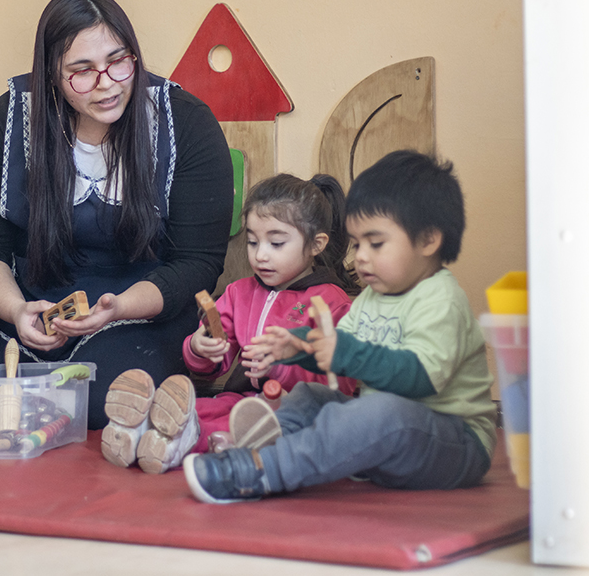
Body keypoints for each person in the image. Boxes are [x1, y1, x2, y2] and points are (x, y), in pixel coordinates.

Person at [0, 0, 234, 430]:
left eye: (118, 62)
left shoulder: (184, 122)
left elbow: (198, 262)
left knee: (105, 403)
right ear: (50, 76)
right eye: (82, 72)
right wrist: (14, 310)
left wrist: (117, 307)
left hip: (139, 309)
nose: (107, 84)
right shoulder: (7, 123)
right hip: (28, 305)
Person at [183, 150, 497, 502]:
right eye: (359, 243)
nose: (360, 256)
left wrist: (341, 351)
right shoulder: (372, 298)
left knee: (382, 412)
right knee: (308, 397)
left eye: (376, 244)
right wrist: (297, 347)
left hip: (456, 441)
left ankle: (261, 471)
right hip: (389, 433)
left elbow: (417, 377)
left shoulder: (440, 299)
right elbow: (337, 352)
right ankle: (259, 445)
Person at [102, 173, 359, 474]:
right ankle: (138, 429)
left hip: (296, 411)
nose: (260, 255)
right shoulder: (239, 293)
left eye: (276, 243)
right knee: (203, 407)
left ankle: (173, 444)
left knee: (237, 422)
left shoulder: (332, 303)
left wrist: (280, 367)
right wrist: (201, 349)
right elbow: (214, 364)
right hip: (240, 398)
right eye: (252, 241)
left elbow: (341, 383)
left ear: (316, 244)